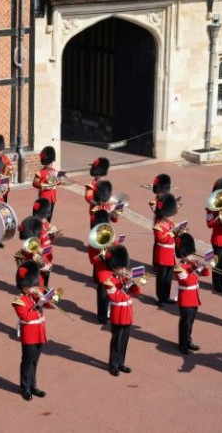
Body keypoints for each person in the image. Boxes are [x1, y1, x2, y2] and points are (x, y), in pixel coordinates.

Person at [12, 260, 51, 401]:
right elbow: (26, 316)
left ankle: (33, 385)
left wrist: (44, 298)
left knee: (35, 361)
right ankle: (25, 387)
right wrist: (38, 305)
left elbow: (49, 305)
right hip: (29, 334)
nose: (33, 288)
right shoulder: (18, 300)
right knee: (27, 361)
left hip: (40, 332)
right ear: (24, 286)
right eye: (31, 286)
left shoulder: (35, 295)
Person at [105, 245, 140, 377]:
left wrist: (132, 283)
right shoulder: (110, 282)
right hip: (118, 313)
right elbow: (116, 297)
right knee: (117, 340)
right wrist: (124, 284)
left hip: (127, 312)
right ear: (114, 268)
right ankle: (113, 365)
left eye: (124, 268)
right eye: (121, 268)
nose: (123, 270)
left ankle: (121, 362)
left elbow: (136, 292)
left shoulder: (125, 279)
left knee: (124, 339)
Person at [174, 233, 210, 354]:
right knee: (185, 322)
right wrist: (196, 268)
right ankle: (182, 344)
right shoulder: (179, 268)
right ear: (183, 255)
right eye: (190, 254)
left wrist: (201, 266)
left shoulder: (191, 265)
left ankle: (188, 341)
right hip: (185, 298)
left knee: (190, 322)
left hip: (194, 297)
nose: (192, 256)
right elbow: (187, 281)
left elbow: (205, 274)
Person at [153, 193, 178, 306]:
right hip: (162, 255)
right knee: (161, 278)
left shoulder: (171, 223)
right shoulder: (158, 225)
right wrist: (173, 233)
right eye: (168, 215)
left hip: (170, 254)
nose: (170, 217)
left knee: (168, 278)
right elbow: (161, 239)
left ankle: (166, 296)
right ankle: (160, 297)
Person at [88, 209, 113, 324]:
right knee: (102, 295)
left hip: (111, 269)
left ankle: (108, 313)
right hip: (102, 270)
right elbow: (93, 260)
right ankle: (101, 315)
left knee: (110, 294)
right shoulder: (93, 241)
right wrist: (101, 255)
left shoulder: (109, 234)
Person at [14, 216, 50, 288]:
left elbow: (46, 248)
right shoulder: (33, 232)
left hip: (41, 254)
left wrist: (39, 254)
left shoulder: (42, 235)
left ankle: (38, 285)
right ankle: (25, 281)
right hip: (33, 250)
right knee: (18, 256)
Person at [32, 198, 57, 288]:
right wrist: (41, 263)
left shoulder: (45, 222)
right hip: (40, 257)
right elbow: (33, 248)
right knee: (39, 281)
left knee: (46, 280)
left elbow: (48, 239)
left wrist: (53, 233)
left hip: (48, 255)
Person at [32, 146, 59, 222]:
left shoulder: (53, 171)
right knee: (42, 218)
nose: (51, 164)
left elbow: (55, 182)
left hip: (53, 198)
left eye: (52, 162)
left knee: (49, 218)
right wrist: (43, 185)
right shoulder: (40, 173)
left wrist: (57, 178)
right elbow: (35, 183)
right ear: (46, 163)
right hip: (44, 198)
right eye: (50, 163)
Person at [85, 157, 109, 226]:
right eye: (100, 176)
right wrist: (99, 203)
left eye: (103, 176)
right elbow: (89, 199)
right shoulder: (90, 185)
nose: (102, 178)